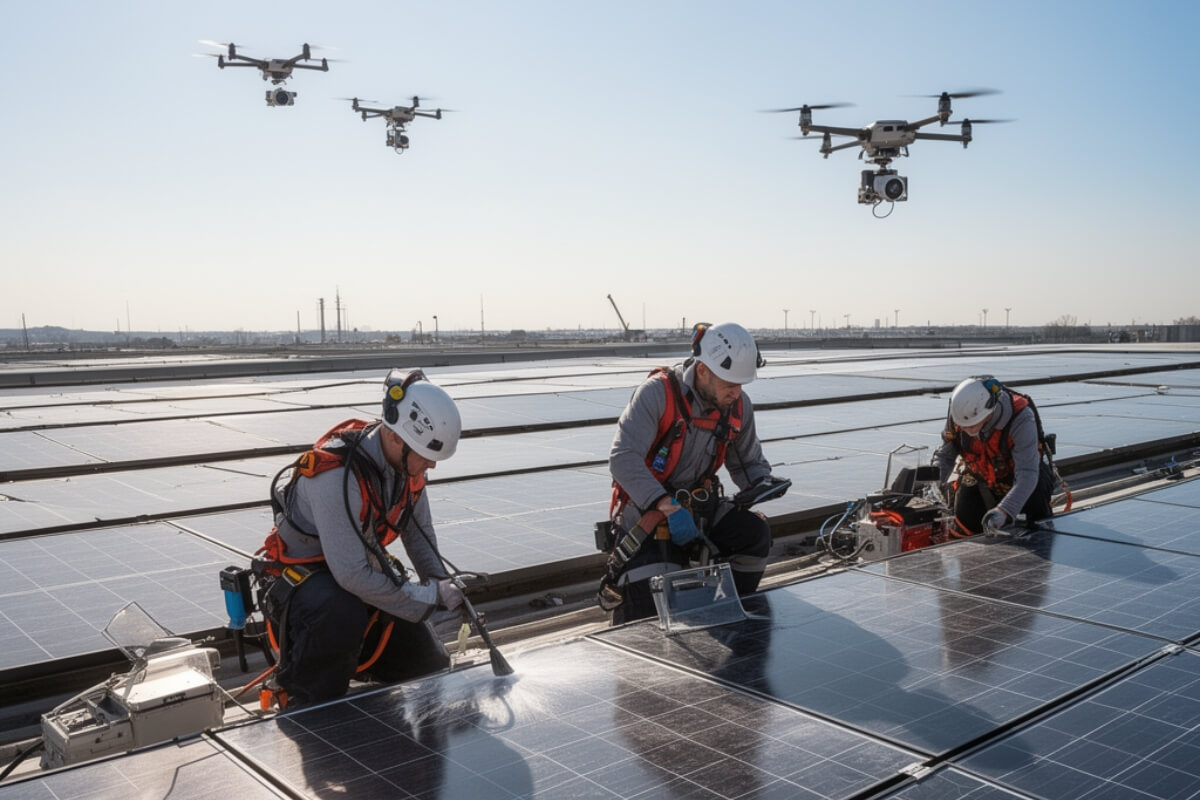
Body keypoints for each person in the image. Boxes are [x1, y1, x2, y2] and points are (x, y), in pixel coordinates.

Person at [255, 369, 465, 707]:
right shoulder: (336, 476)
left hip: (358, 577)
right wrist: (429, 597)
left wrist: (444, 586)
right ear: (397, 437)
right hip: (310, 588)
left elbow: (418, 535)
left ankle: (353, 663)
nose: (431, 466)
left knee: (430, 664)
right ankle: (306, 700)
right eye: (426, 456)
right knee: (341, 612)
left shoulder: (407, 468)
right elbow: (350, 573)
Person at [601, 322, 781, 624]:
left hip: (700, 510)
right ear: (702, 371)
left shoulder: (737, 406)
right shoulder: (657, 394)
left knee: (754, 535)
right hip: (651, 515)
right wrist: (666, 505)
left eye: (741, 385)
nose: (736, 393)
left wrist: (761, 481)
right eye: (729, 384)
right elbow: (623, 459)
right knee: (650, 611)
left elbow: (747, 462)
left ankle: (728, 616)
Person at [933, 375, 1056, 535]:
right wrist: (930, 483)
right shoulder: (960, 416)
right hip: (981, 475)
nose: (966, 430)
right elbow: (945, 457)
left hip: (1022, 479)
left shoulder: (1021, 418)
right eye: (962, 426)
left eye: (971, 426)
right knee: (965, 518)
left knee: (1033, 530)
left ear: (989, 412)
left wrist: (1005, 511)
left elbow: (1027, 474)